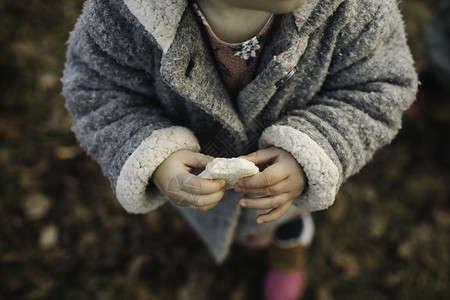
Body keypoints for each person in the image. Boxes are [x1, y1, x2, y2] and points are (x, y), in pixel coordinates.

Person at [62, 0, 418, 299]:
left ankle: (287, 250)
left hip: (286, 194)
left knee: (281, 221)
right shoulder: (123, 15)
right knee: (198, 209)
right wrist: (158, 158)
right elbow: (99, 94)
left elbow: (378, 88)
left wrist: (312, 147)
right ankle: (211, 225)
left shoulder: (359, 11)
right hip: (192, 175)